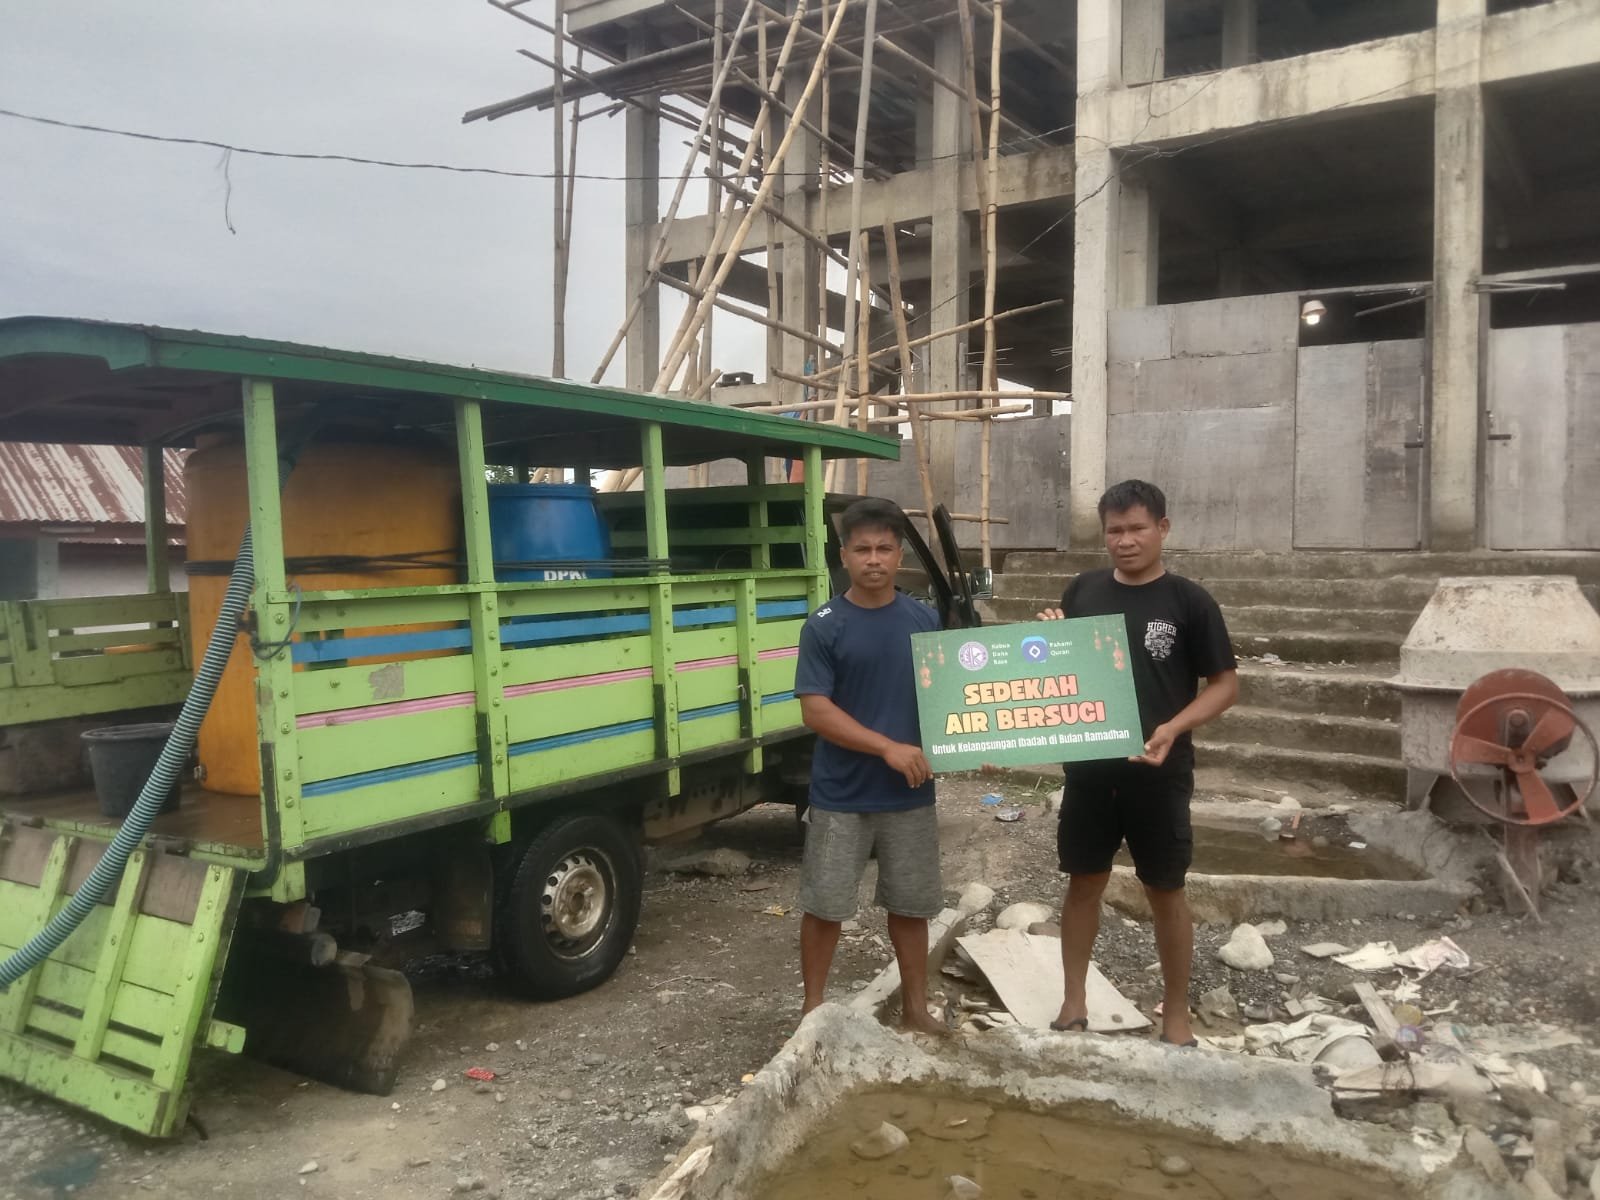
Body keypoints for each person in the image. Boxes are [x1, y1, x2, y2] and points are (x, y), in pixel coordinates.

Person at [1036, 479, 1238, 1047]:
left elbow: (1225, 685)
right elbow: (1065, 674)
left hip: (1160, 772)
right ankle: (1073, 1000)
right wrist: (1048, 644)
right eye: (1115, 531)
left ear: (1162, 528)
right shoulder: (1083, 590)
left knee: (1165, 889)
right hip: (1090, 770)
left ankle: (1176, 1013)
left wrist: (1172, 728)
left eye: (1137, 528)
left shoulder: (1189, 602)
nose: (1125, 541)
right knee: (1083, 882)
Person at [793, 497, 946, 1035]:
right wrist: (886, 748)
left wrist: (980, 743)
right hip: (842, 795)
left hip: (910, 792)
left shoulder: (925, 621)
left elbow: (950, 700)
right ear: (844, 556)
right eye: (863, 549)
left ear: (900, 554)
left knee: (911, 906)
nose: (874, 559)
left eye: (884, 548)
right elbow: (816, 710)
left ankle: (916, 1010)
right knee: (826, 906)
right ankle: (813, 1012)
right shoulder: (824, 626)